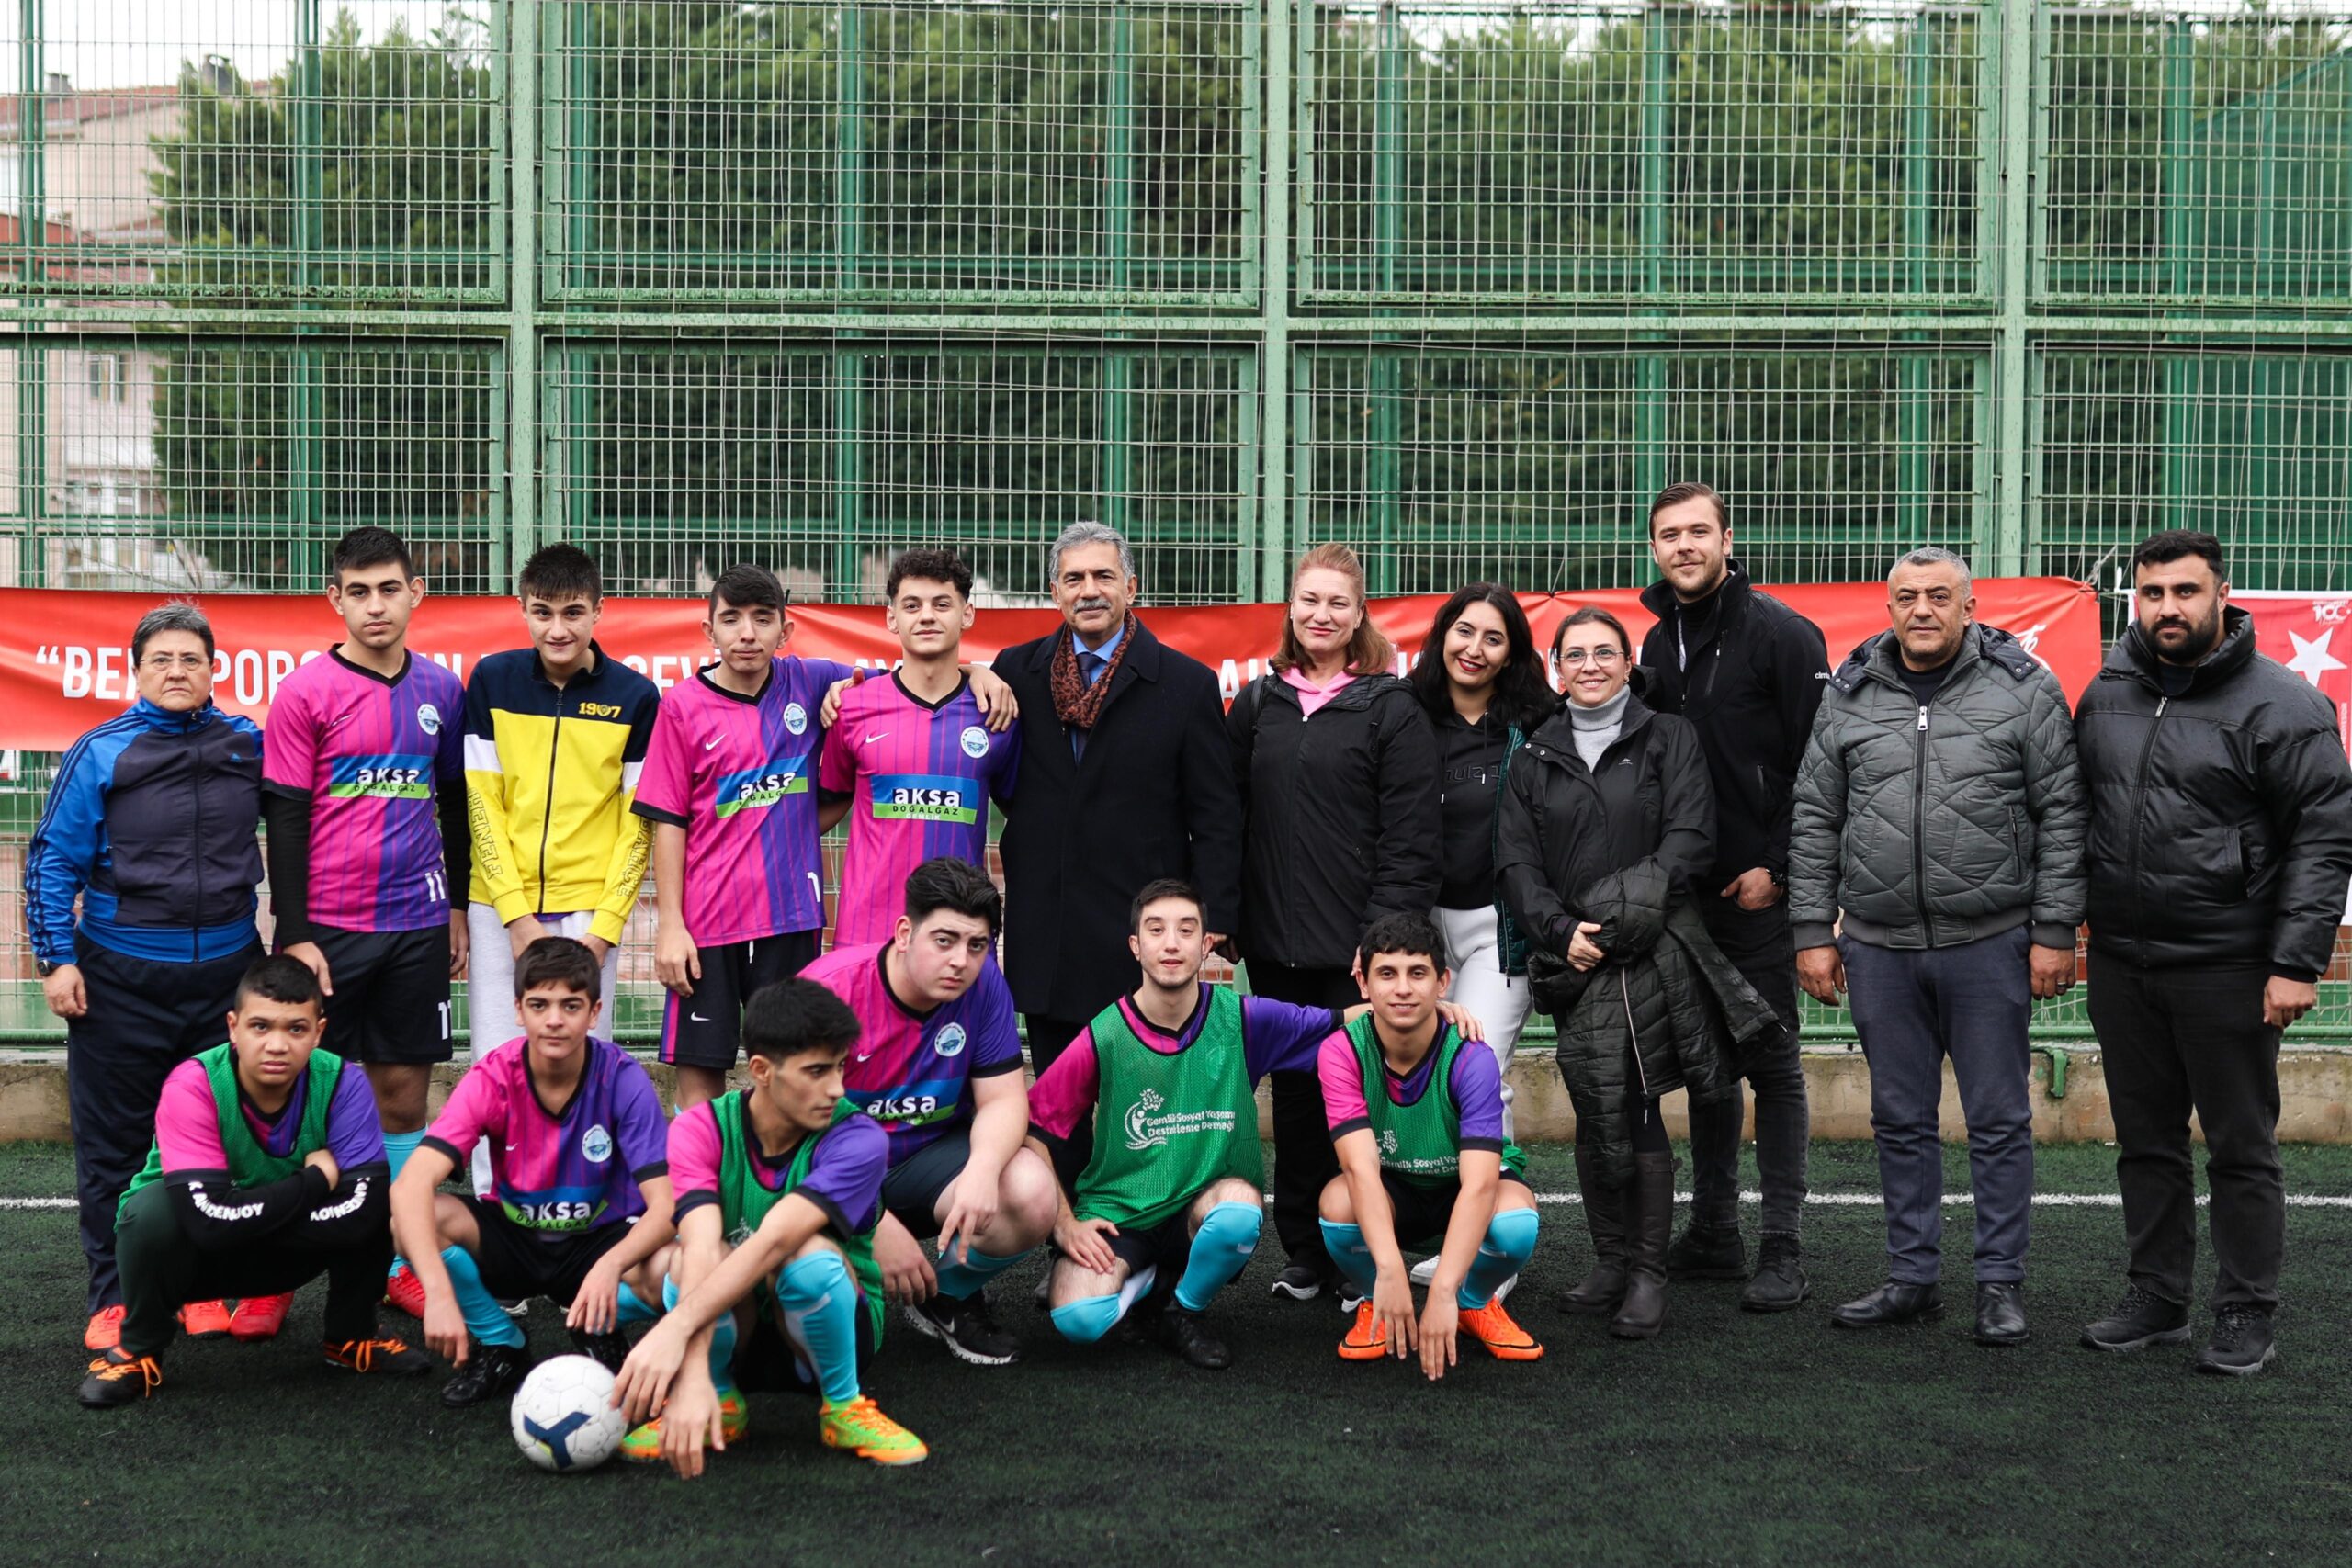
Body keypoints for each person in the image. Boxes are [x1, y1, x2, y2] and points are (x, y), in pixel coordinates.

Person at [1791, 547, 2086, 1348]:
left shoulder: (2024, 688)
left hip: (1989, 940)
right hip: (1878, 946)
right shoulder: (1849, 692)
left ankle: (2000, 1284)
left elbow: (2063, 813)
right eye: (1906, 597)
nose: (1921, 609)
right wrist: (1812, 929)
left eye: (1938, 596)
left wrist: (2055, 929)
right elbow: (1815, 816)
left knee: (1998, 1119)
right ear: (1888, 607)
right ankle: (1911, 1277)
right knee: (1899, 1118)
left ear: (1970, 607)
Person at [2073, 530, 2352, 1376]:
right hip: (2122, 961)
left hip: (2229, 963)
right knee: (2145, 1140)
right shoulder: (2107, 692)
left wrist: (2297, 961)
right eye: (2152, 593)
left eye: (2185, 592)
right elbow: (2076, 814)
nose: (2168, 608)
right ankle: (2158, 1295)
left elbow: (2324, 840)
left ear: (2222, 595)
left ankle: (2244, 1309)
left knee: (2239, 1146)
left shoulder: (2284, 704)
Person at [1023, 880, 1478, 1368]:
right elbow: (1034, 1132)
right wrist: (1065, 1226)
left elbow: (1343, 1019)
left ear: (1206, 944)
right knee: (1079, 1319)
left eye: (1186, 930)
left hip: (1204, 1208)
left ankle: (1183, 1310)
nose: (1171, 943)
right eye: (1156, 930)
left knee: (1239, 1210)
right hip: (1122, 1214)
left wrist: (1427, 1009)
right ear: (1136, 946)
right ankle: (1152, 1282)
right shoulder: (1105, 1035)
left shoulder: (1243, 1020)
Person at [1498, 606, 1773, 1339]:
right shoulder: (1532, 755)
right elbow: (1517, 862)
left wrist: (1611, 922)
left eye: (1604, 652)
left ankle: (1648, 1274)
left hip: (1651, 949)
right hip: (1574, 958)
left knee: (1640, 1102)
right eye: (1575, 654)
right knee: (1596, 1101)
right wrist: (1563, 931)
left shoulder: (1669, 736)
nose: (1590, 665)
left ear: (1628, 663)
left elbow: (1690, 838)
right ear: (1556, 668)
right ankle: (1610, 1261)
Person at [28, 601, 268, 1351]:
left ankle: (199, 1286)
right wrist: (56, 959)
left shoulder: (247, 743)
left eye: (191, 659)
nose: (176, 670)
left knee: (218, 1138)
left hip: (226, 977)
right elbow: (51, 859)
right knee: (116, 1145)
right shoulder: (100, 750)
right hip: (118, 981)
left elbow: (300, 826)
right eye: (161, 659)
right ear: (135, 671)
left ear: (214, 669)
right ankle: (114, 1295)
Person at [261, 525, 469, 1317]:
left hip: (417, 924)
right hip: (329, 929)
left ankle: (397, 1260)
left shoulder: (442, 690)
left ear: (416, 593)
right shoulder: (305, 691)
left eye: (388, 589)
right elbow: (284, 816)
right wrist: (296, 932)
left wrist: (456, 905)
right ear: (335, 598)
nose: (375, 605)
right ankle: (276, 1271)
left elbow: (455, 805)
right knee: (302, 1095)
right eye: (359, 591)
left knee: (403, 1096)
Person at [1229, 542, 1441, 1302]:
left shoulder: (1392, 707)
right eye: (1309, 600)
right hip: (1272, 943)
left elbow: (1411, 837)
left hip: (1355, 949)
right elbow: (1230, 816)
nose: (1321, 614)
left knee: (1361, 1096)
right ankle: (1305, 1252)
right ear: (1291, 607)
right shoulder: (1258, 703)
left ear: (1359, 615)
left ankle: (1362, 1246)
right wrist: (1230, 916)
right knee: (1294, 1096)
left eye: (1337, 603)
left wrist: (1381, 943)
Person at [1636, 483, 1829, 1312]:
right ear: (1654, 548)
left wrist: (1778, 866)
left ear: (1726, 538)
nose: (1684, 546)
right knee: (1706, 1063)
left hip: (1757, 893)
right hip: (1684, 896)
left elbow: (1819, 763)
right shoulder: (1655, 640)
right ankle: (1714, 1230)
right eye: (1669, 534)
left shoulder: (1783, 634)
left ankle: (1783, 1246)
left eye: (1698, 531)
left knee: (1773, 1064)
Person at [990, 523, 1244, 1150]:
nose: (1089, 590)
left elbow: (1216, 812)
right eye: (1074, 578)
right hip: (1049, 927)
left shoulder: (1185, 683)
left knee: (1150, 1112)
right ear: (1055, 592)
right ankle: (1066, 1211)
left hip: (1140, 928)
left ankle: (1151, 1209)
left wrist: (1213, 916)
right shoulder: (1014, 672)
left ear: (1131, 587)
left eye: (1104, 576)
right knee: (1059, 1112)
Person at [78, 955, 430, 1406]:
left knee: (380, 1199)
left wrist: (251, 1215)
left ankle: (351, 1334)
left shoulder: (343, 1082)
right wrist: (316, 1181)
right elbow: (205, 1223)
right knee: (150, 1214)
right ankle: (139, 1350)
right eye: (260, 1027)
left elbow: (365, 1208)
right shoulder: (193, 1084)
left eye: (296, 1029)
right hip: (197, 1260)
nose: (277, 1045)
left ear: (318, 1032)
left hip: (284, 1251)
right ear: (233, 1027)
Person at [611, 979, 926, 1474]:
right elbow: (700, 1244)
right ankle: (720, 1400)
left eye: (840, 1067)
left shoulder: (859, 1139)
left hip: (825, 1336)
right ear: (761, 1070)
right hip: (734, 1332)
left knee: (806, 1257)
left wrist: (674, 1331)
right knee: (684, 1257)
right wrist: (691, 1374)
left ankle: (843, 1407)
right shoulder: (700, 1128)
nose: (837, 1088)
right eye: (817, 1071)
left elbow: (776, 1242)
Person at [391, 938, 675, 1406]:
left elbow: (667, 1207)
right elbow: (409, 1186)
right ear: (519, 1010)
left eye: (571, 1005)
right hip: (516, 1241)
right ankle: (500, 1342)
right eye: (540, 1004)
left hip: (599, 1242)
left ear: (594, 1012)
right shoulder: (493, 1077)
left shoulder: (623, 1078)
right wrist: (437, 1293)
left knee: (677, 1263)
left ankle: (598, 1327)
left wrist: (610, 1265)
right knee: (411, 1221)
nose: (555, 1020)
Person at [460, 543, 660, 1196]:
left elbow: (637, 824)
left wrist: (604, 928)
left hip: (589, 913)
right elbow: (481, 805)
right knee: (497, 1062)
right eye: (542, 612)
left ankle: (581, 1203)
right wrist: (515, 915)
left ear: (599, 612)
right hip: (500, 908)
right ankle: (496, 1205)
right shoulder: (492, 679)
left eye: (573, 612)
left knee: (581, 1062)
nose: (558, 629)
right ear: (522, 610)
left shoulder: (635, 696)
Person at [801, 858, 1055, 1368]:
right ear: (904, 933)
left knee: (1029, 1191)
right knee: (828, 1334)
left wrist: (983, 1169)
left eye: (977, 945)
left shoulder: (984, 986)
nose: (961, 960)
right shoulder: (828, 992)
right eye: (944, 940)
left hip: (924, 1163)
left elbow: (1005, 1099)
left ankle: (945, 1294)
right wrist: (873, 1221)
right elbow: (789, 1138)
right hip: (829, 1175)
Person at [631, 564, 861, 1112]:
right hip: (706, 924)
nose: (748, 633)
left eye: (762, 619)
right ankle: (704, 1169)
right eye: (731, 619)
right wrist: (671, 926)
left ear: (785, 630)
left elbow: (903, 682)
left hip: (791, 918)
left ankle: (775, 1169)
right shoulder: (681, 706)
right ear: (709, 630)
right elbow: (669, 820)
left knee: (789, 1068)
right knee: (700, 1076)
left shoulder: (810, 681)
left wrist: (976, 675)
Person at [1318, 913, 1543, 1375]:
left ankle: (1473, 1303)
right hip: (1392, 1192)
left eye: (1417, 973)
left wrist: (1443, 1292)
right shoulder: (1341, 1051)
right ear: (1363, 983)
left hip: (1460, 1190)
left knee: (1516, 1221)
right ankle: (1375, 1300)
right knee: (1337, 1204)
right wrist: (1389, 1271)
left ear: (1442, 982)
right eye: (1387, 973)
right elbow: (1359, 1169)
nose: (1403, 988)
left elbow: (1480, 1185)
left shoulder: (1471, 1055)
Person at [818, 548, 1020, 946]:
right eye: (912, 605)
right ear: (892, 618)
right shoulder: (851, 707)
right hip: (867, 935)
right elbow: (828, 801)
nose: (926, 616)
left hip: (958, 937)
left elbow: (1022, 811)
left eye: (941, 604)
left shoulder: (996, 712)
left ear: (967, 614)